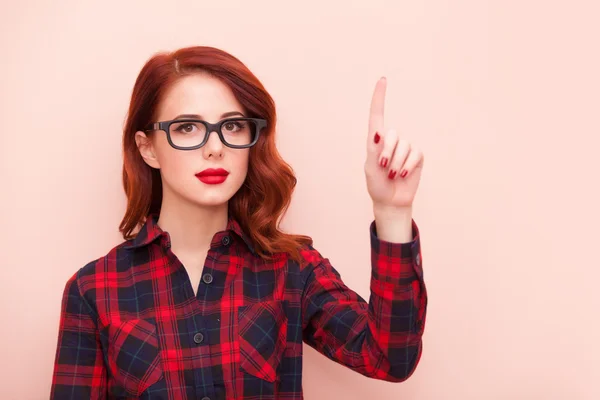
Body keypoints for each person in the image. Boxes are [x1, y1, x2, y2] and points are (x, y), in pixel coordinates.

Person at [50, 46, 427, 400]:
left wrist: (392, 213)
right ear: (148, 147)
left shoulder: (291, 269)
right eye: (187, 128)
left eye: (232, 126)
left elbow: (389, 358)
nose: (215, 147)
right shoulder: (93, 291)